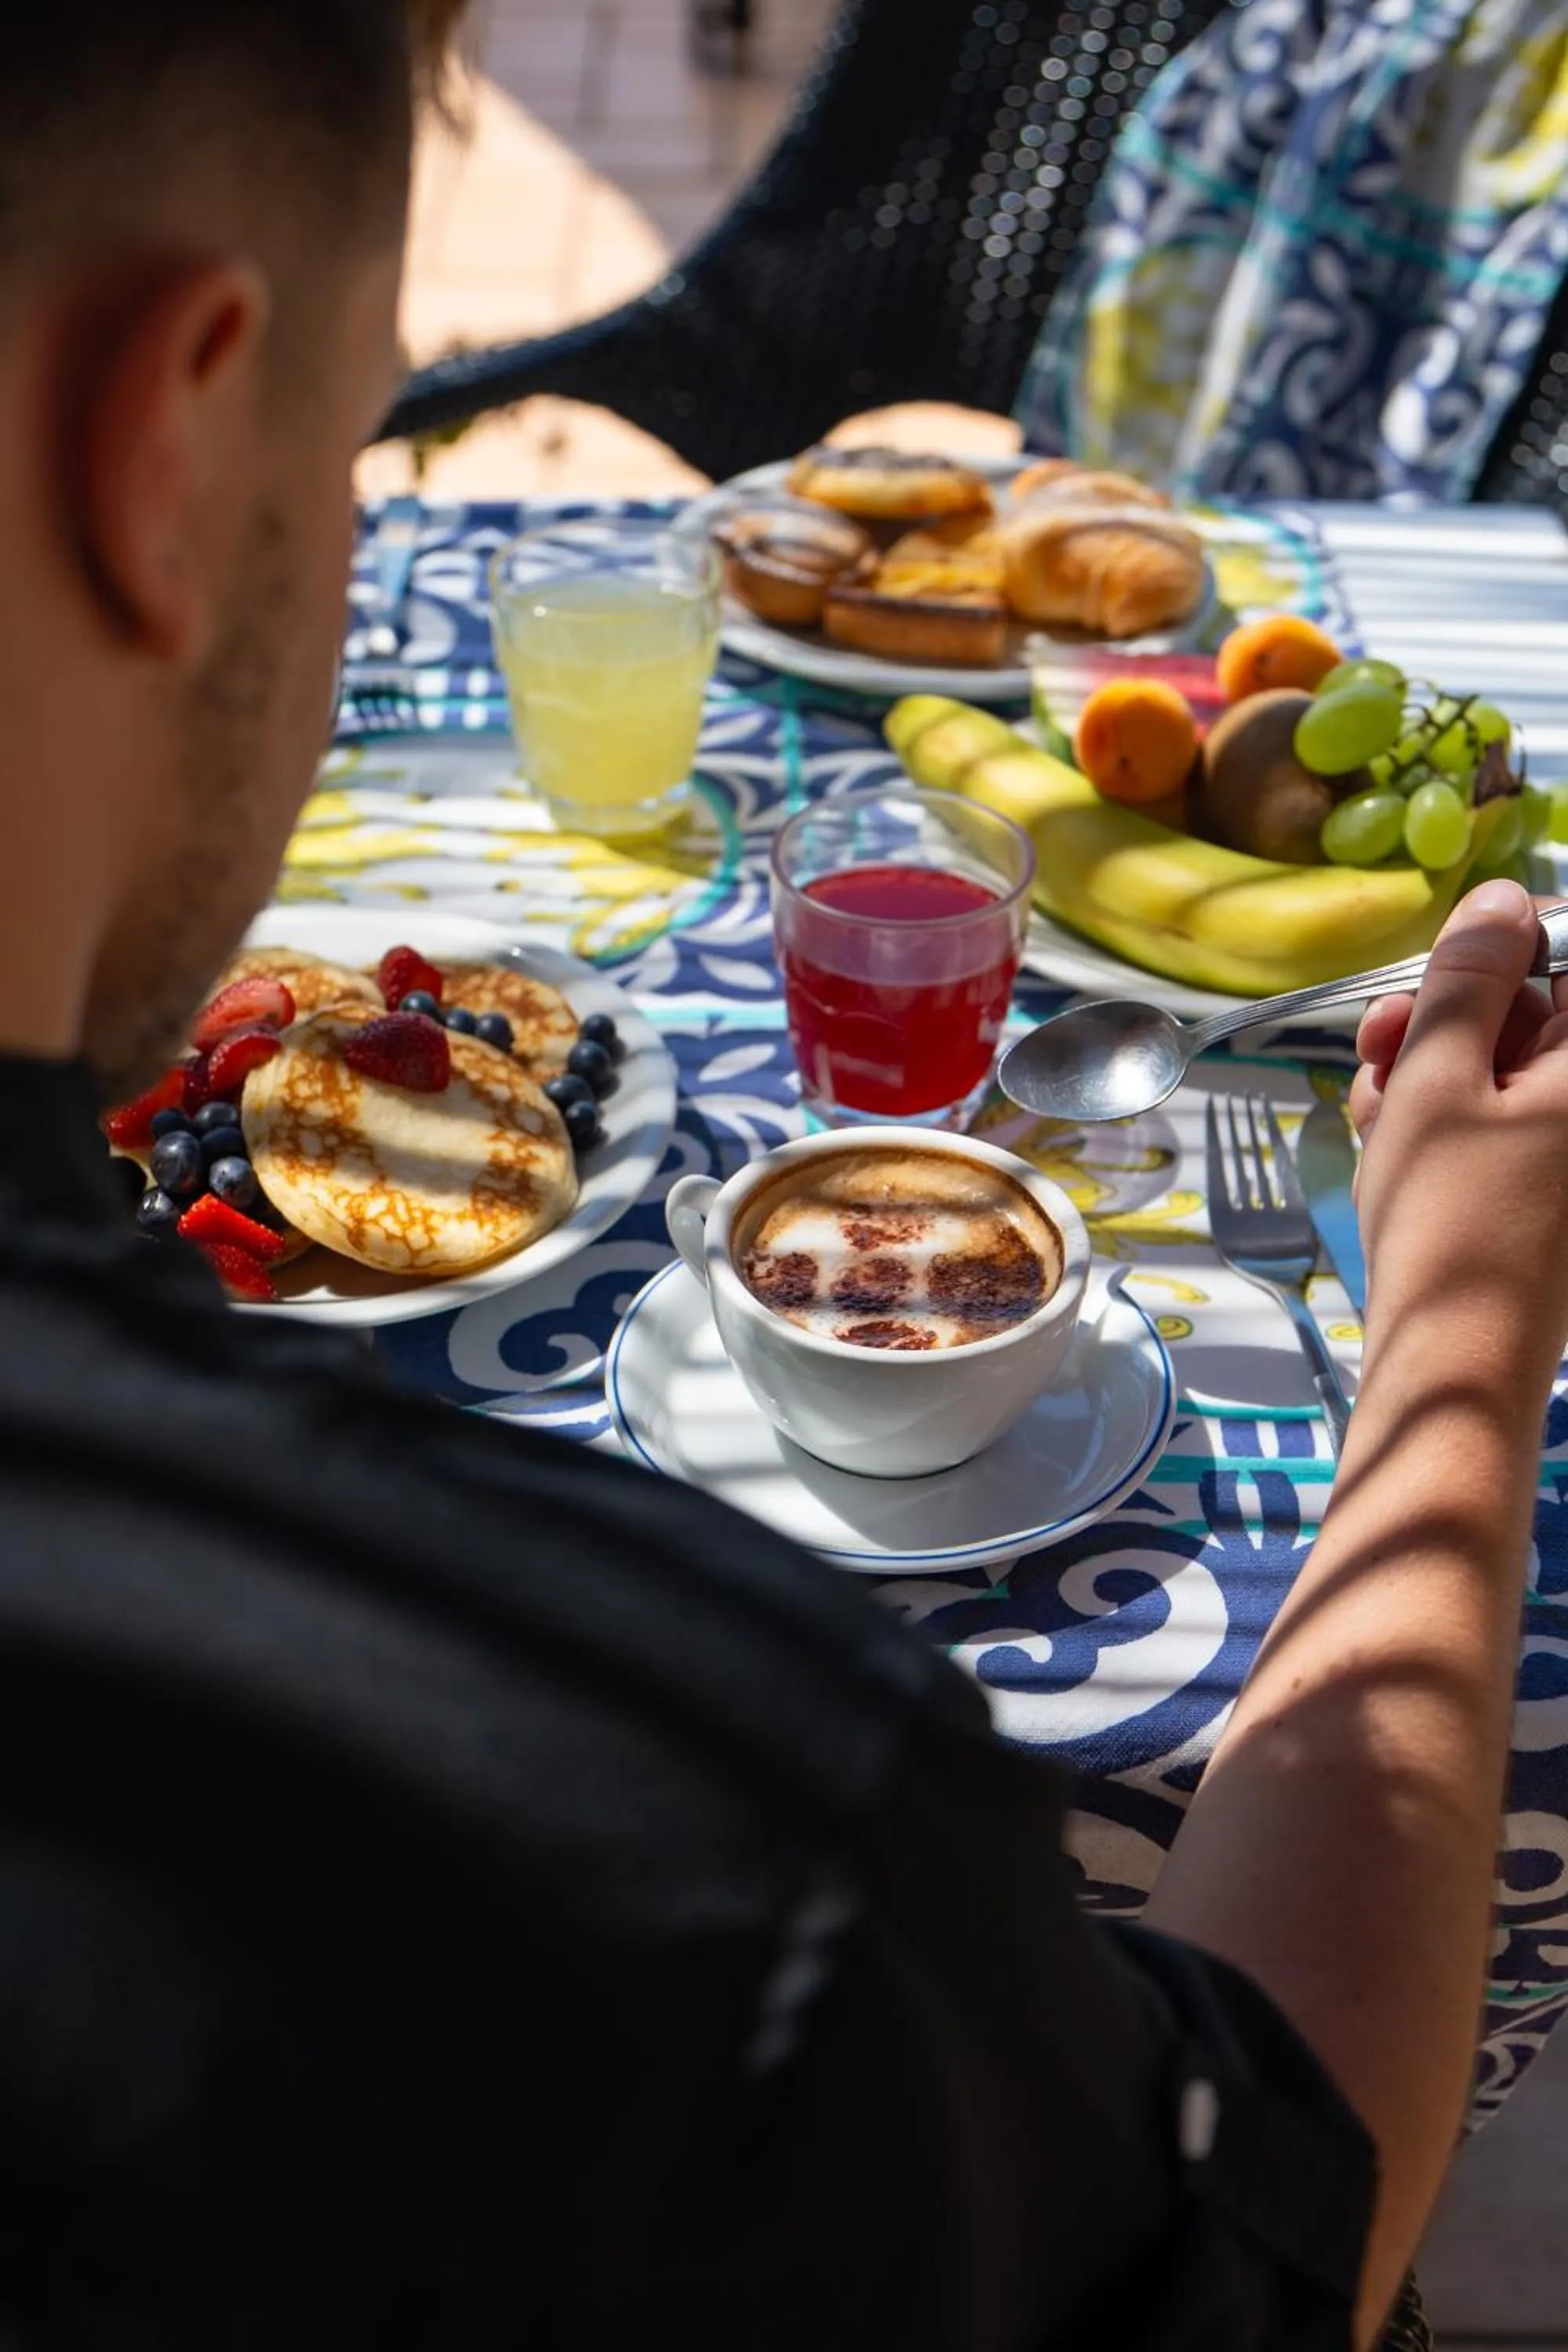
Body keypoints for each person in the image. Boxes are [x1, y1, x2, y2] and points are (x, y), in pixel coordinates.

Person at [0, 5, 1563, 2346]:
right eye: (345, 456)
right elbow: (1278, 2214)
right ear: (173, 435)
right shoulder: (677, 1793)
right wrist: (1465, 1316)